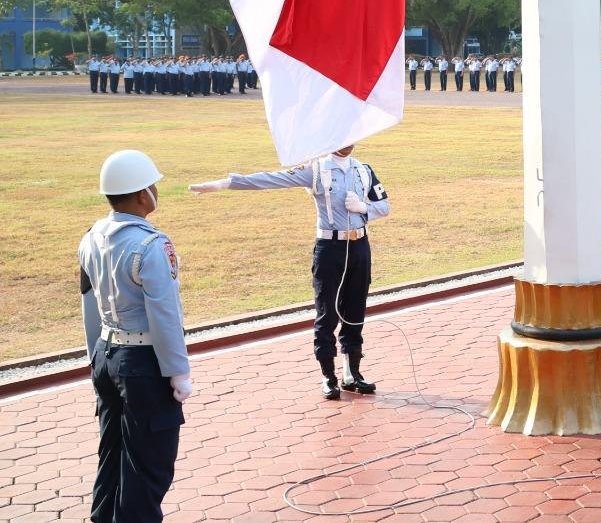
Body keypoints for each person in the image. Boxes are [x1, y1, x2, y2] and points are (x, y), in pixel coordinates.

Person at [189, 144, 390, 399]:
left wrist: (364, 208)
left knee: (355, 309)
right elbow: (273, 179)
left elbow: (384, 206)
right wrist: (225, 183)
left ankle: (352, 374)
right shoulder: (316, 170)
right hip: (330, 247)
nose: (348, 143)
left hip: (360, 245)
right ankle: (328, 376)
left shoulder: (363, 170)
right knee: (327, 313)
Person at [80, 150, 193, 522]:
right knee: (148, 469)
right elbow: (165, 314)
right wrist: (178, 372)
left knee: (112, 457)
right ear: (143, 194)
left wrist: (94, 356)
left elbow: (89, 303)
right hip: (143, 364)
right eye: (153, 184)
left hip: (107, 355)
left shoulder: (91, 237)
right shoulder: (151, 244)